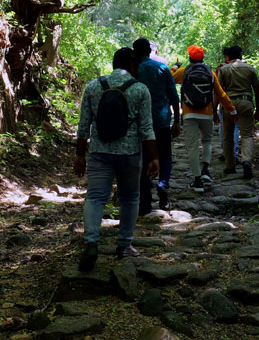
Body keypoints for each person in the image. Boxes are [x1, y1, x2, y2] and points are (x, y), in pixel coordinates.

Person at [73, 47, 158, 270]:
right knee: (130, 198)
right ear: (132, 66)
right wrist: (153, 157)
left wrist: (79, 154)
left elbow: (83, 125)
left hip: (99, 152)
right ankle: (124, 245)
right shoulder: (140, 89)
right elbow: (146, 127)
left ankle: (91, 242)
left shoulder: (93, 86)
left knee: (95, 197)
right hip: (130, 154)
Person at [172, 44, 235, 192]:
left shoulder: (184, 71)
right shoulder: (210, 72)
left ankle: (197, 180)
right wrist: (232, 109)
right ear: (203, 58)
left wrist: (175, 67)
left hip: (189, 113)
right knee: (207, 141)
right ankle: (205, 170)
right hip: (206, 113)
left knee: (192, 146)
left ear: (190, 58)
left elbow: (169, 78)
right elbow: (221, 93)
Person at [132, 38, 179, 212]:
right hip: (161, 119)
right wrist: (177, 121)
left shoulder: (133, 69)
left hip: (140, 121)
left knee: (143, 158)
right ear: (149, 51)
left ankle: (145, 202)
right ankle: (163, 183)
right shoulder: (162, 68)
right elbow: (173, 95)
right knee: (165, 155)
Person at [218, 45, 259, 179]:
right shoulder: (250, 68)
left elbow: (219, 91)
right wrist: (258, 110)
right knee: (247, 134)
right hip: (246, 102)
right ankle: (246, 160)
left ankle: (230, 166)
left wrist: (214, 110)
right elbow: (257, 90)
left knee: (227, 135)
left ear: (228, 56)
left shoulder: (223, 69)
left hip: (228, 104)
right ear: (240, 55)